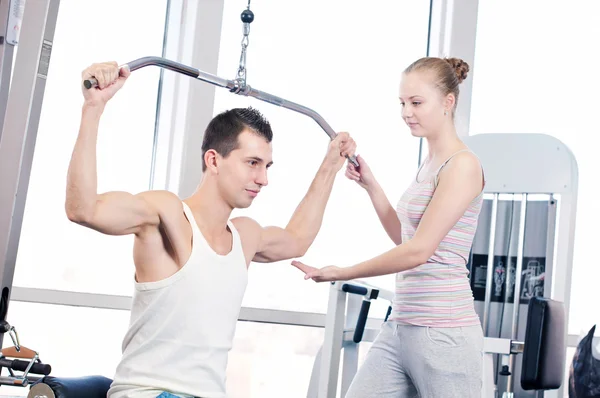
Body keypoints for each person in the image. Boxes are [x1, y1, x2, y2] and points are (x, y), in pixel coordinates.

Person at [65, 61, 356, 398]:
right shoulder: (167, 214)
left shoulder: (245, 236)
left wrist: (330, 166)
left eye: (266, 166)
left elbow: (297, 239)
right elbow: (82, 209)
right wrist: (93, 108)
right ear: (214, 161)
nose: (263, 179)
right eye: (252, 163)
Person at [293, 56, 486, 397]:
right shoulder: (430, 163)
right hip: (401, 326)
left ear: (448, 102)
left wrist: (342, 271)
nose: (406, 112)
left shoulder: (463, 166)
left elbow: (419, 251)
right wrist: (371, 186)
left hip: (444, 332)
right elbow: (406, 237)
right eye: (402, 103)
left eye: (416, 103)